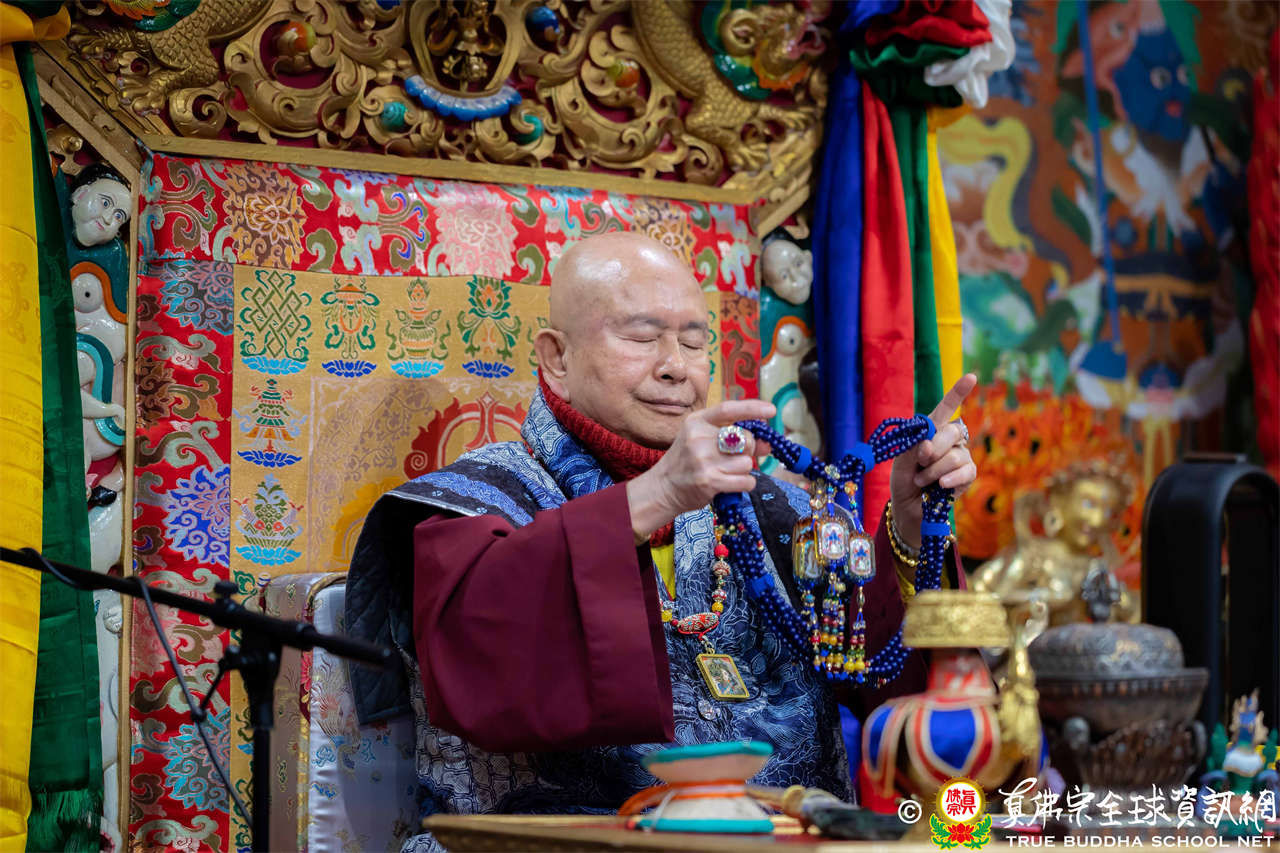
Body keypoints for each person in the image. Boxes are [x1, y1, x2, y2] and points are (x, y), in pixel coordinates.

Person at [345, 232, 977, 850]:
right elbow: (480, 667)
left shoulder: (771, 510)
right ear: (557, 359)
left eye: (694, 342)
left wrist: (910, 524)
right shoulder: (477, 503)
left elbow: (892, 690)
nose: (676, 366)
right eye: (642, 337)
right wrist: (655, 496)